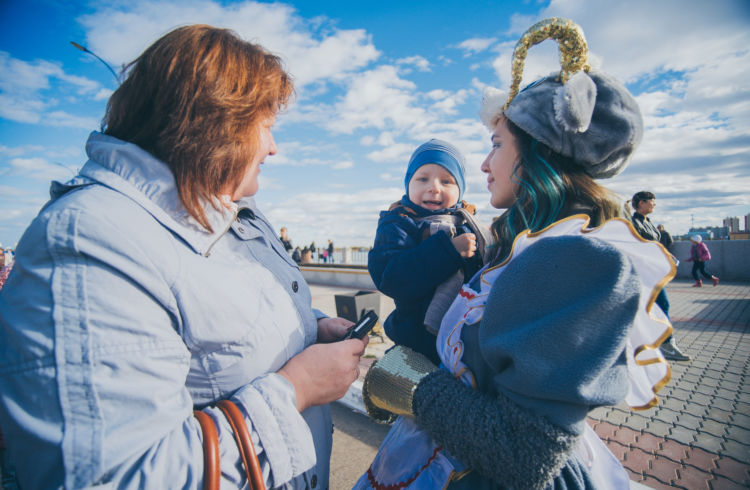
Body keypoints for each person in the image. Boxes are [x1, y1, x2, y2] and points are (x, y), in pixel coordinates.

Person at [0, 25, 368, 490]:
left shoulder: (223, 210)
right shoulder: (88, 241)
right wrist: (298, 389)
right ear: (217, 123)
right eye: (267, 126)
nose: (273, 147)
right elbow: (115, 478)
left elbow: (218, 321)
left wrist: (309, 327)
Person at [356, 18, 673, 490]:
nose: (485, 164)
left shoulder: (576, 262)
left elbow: (526, 452)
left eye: (497, 145)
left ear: (539, 152)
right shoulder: (530, 244)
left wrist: (408, 381)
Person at [367, 139, 491, 364]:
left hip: (464, 343)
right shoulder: (398, 223)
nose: (434, 187)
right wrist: (448, 251)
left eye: (446, 181)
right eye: (422, 178)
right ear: (408, 184)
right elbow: (392, 278)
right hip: (416, 344)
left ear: (460, 189)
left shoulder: (469, 224)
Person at [628, 191, 689, 361]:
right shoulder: (633, 223)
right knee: (660, 305)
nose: (654, 204)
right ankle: (665, 344)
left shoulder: (649, 223)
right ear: (641, 203)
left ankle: (659, 343)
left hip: (653, 271)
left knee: (654, 307)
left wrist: (667, 255)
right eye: (651, 201)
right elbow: (637, 247)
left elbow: (656, 245)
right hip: (643, 272)